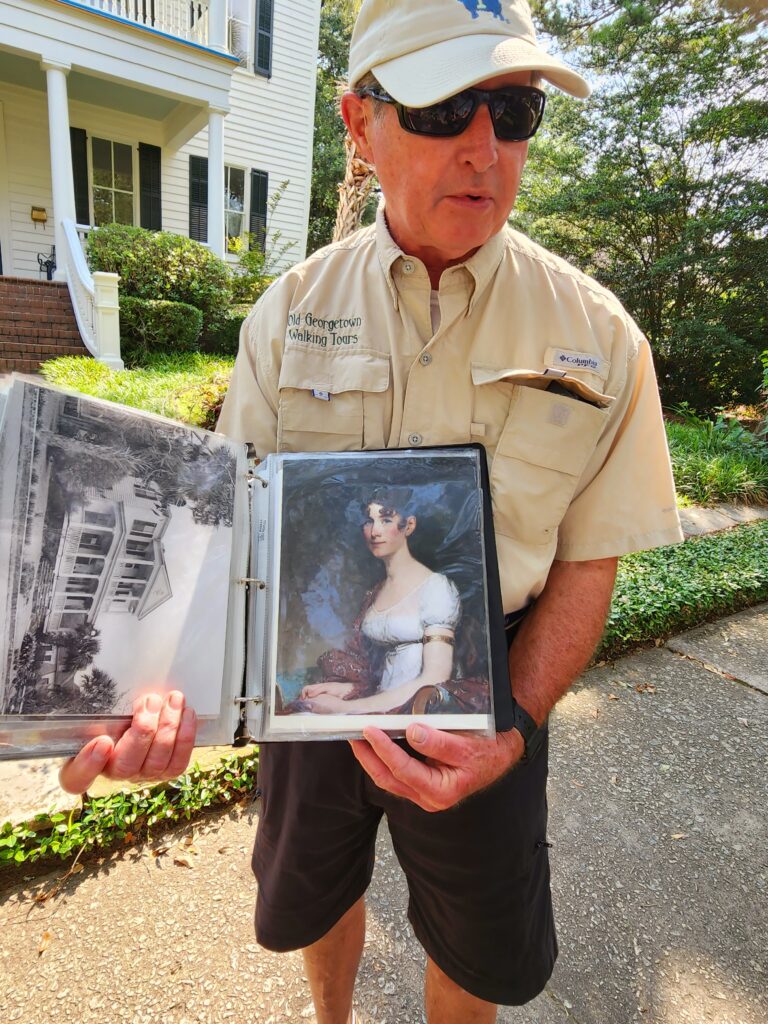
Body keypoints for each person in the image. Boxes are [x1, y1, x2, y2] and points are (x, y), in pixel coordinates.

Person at [59, 1, 684, 1021]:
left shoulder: (600, 337)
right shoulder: (287, 312)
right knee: (312, 895)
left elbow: (588, 558)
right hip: (314, 674)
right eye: (444, 108)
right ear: (360, 122)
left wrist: (515, 725)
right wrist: (148, 688)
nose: (485, 146)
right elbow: (226, 538)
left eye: (515, 107)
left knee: (477, 948)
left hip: (485, 679)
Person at [298, 491, 468, 716]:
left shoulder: (436, 588)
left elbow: (435, 679)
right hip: (380, 702)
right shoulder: (376, 591)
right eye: (369, 521)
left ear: (408, 526)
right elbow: (378, 677)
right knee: (304, 713)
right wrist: (344, 689)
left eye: (386, 519)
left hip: (414, 710)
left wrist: (348, 708)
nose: (375, 531)